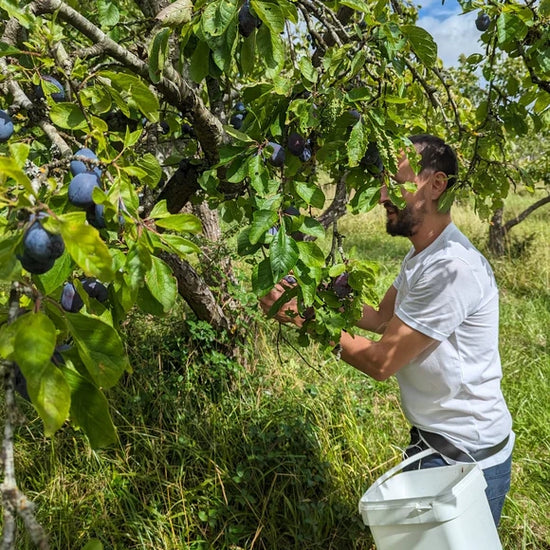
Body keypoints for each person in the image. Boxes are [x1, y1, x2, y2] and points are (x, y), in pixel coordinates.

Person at [259, 134, 514, 527]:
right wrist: (310, 296)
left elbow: (382, 362)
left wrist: (301, 319)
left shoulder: (452, 269)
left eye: (395, 184)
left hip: (467, 459)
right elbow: (381, 317)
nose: (382, 197)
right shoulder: (423, 255)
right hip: (437, 445)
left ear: (436, 184)